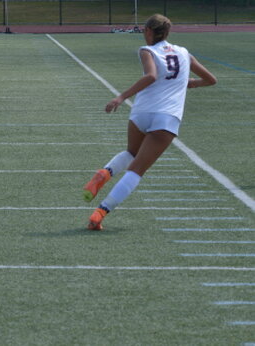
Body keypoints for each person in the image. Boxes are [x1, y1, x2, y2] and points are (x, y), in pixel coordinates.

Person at [82, 14, 217, 230]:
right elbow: (211, 80)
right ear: (168, 32)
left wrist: (121, 97)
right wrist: (190, 83)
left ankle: (104, 173)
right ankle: (100, 213)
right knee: (136, 170)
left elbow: (152, 75)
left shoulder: (147, 50)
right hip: (167, 117)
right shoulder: (184, 53)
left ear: (148, 31)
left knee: (131, 153)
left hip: (141, 112)